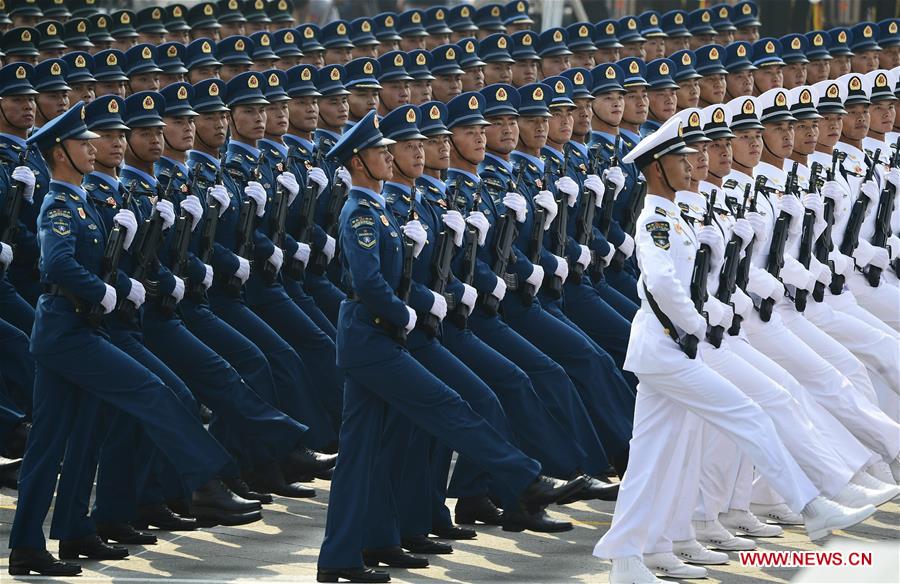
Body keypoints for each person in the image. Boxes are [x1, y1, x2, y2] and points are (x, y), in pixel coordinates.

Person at [592, 115, 876, 584]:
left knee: (658, 454)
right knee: (748, 414)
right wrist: (695, 323)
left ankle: (637, 554)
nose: (694, 164)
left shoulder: (680, 215)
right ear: (657, 168)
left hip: (676, 348)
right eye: (683, 158)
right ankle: (813, 504)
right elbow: (661, 282)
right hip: (667, 348)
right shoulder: (655, 219)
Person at [316, 108, 586, 584]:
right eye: (381, 151)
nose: (390, 157)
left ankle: (353, 550)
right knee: (447, 404)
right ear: (359, 162)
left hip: (373, 335)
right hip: (371, 336)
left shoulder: (377, 208)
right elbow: (367, 281)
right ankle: (524, 478)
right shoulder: (360, 211)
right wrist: (405, 313)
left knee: (363, 452)